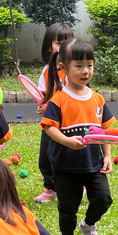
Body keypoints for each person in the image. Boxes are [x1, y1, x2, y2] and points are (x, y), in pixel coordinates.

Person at [40, 38, 118, 235]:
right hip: (65, 166)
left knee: (103, 198)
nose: (86, 71)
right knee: (68, 206)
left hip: (93, 163)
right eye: (79, 65)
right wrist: (67, 142)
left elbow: (104, 131)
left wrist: (107, 156)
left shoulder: (98, 99)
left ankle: (89, 224)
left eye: (90, 65)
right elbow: (49, 127)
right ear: (63, 67)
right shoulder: (59, 100)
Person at [34, 22, 75, 204]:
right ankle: (50, 188)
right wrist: (44, 107)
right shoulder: (46, 71)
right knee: (46, 158)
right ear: (49, 46)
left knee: (69, 157)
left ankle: (77, 185)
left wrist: (50, 107)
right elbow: (44, 95)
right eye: (58, 43)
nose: (63, 47)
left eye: (66, 42)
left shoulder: (73, 69)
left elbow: (74, 96)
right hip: (50, 123)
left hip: (69, 123)